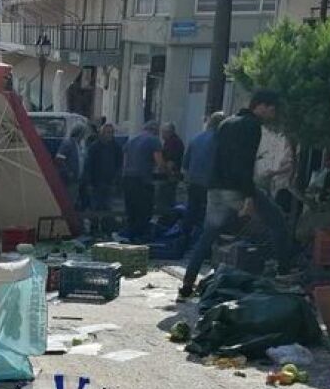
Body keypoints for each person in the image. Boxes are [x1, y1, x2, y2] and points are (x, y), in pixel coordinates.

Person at [178, 89, 291, 299]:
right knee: (276, 221)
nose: (273, 115)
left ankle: (187, 283)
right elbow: (244, 163)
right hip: (236, 188)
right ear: (261, 106)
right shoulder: (252, 126)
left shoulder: (226, 123)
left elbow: (219, 158)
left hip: (215, 188)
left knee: (208, 235)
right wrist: (248, 196)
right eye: (272, 110)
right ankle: (283, 274)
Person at [181, 112, 224, 236]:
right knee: (208, 214)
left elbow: (185, 164)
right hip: (210, 183)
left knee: (191, 211)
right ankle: (201, 241)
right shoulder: (220, 140)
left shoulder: (195, 139)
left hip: (194, 181)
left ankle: (184, 239)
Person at [123, 120, 163, 241]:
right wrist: (167, 172)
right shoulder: (154, 140)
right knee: (144, 212)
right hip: (142, 181)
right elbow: (159, 162)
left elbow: (124, 161)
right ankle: (141, 239)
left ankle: (130, 237)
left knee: (131, 212)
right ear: (156, 130)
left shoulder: (131, 140)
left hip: (127, 179)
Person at [84, 123, 124, 213]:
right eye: (107, 132)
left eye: (111, 132)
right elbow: (88, 165)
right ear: (101, 134)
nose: (110, 135)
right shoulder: (94, 147)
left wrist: (117, 180)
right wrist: (88, 183)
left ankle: (106, 226)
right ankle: (94, 226)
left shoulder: (116, 147)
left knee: (108, 208)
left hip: (110, 182)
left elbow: (119, 164)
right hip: (96, 183)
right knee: (95, 208)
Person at [54, 125, 86, 210]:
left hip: (77, 179)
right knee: (67, 201)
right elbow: (59, 159)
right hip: (68, 179)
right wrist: (68, 172)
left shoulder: (80, 145)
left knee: (73, 201)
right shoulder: (68, 143)